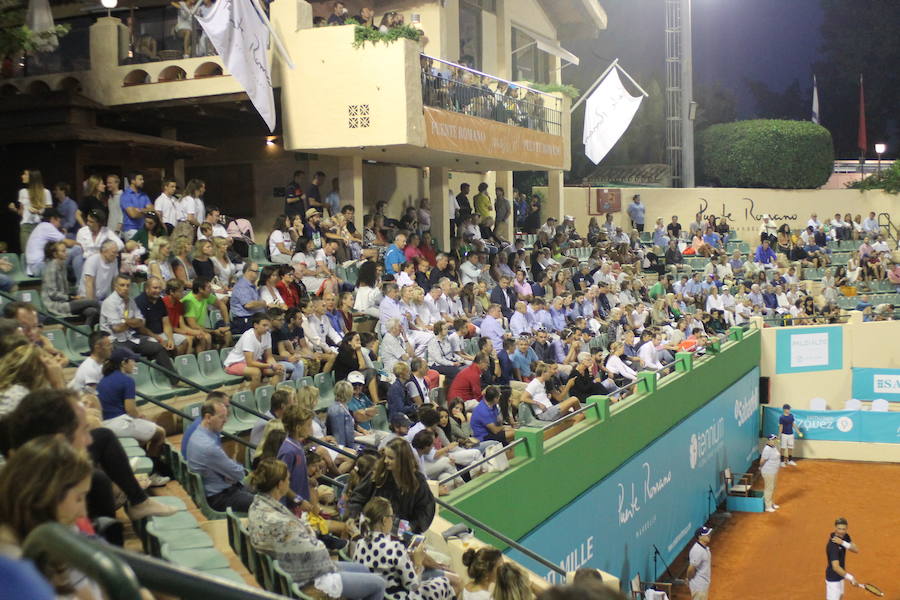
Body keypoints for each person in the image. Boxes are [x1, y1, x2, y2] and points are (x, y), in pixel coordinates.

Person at [247, 457, 386, 600]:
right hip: (307, 579)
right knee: (378, 584)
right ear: (280, 484)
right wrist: (310, 533)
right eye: (288, 479)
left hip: (292, 567)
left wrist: (308, 531)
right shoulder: (280, 522)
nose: (289, 483)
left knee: (363, 569)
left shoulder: (257, 505)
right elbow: (318, 552)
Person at [0, 435, 99, 597]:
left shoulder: (59, 530)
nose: (83, 512)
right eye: (79, 498)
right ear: (45, 496)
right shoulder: (11, 569)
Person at [353, 496, 455, 600]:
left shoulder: (359, 544)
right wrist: (418, 562)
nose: (392, 520)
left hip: (376, 596)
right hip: (401, 596)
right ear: (384, 520)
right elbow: (414, 585)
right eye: (391, 517)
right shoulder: (394, 548)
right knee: (445, 584)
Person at [96, 346, 169, 485]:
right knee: (160, 433)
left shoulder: (104, 378)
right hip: (118, 424)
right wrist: (138, 416)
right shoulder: (127, 380)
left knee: (143, 435)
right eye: (132, 361)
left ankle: (141, 472)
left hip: (106, 423)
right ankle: (152, 474)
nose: (134, 364)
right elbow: (130, 409)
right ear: (124, 363)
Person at [99, 274, 180, 385]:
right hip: (115, 340)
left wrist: (125, 321)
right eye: (122, 285)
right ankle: (132, 386)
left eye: (127, 285)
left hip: (131, 337)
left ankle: (174, 380)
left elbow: (141, 322)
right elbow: (117, 328)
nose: (125, 288)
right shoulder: (109, 303)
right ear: (115, 286)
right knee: (128, 356)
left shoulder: (131, 301)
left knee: (158, 347)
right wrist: (132, 322)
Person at [348, 437, 436, 534]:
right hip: (372, 527)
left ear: (402, 460)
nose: (385, 461)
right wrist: (353, 515)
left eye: (390, 458)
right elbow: (358, 497)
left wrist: (412, 527)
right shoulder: (378, 473)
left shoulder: (418, 481)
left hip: (401, 532)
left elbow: (425, 510)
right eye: (385, 456)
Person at [185, 397, 254, 512]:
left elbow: (230, 468)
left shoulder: (199, 433)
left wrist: (229, 473)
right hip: (219, 498)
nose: (226, 420)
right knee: (264, 504)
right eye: (221, 417)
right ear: (208, 417)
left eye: (226, 416)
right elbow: (238, 474)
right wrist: (232, 473)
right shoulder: (208, 446)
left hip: (218, 490)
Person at [41, 240, 101, 326]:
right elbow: (52, 294)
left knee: (92, 312)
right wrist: (71, 297)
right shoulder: (51, 268)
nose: (66, 253)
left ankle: (85, 335)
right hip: (56, 305)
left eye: (66, 250)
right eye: (63, 251)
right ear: (55, 254)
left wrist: (74, 297)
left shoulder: (62, 265)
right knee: (93, 302)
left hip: (65, 301)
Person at [223, 312, 284, 390]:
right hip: (234, 363)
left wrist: (276, 366)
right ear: (255, 325)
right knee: (256, 372)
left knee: (279, 371)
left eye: (268, 325)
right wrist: (270, 366)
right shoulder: (248, 336)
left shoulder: (267, 335)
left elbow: (269, 358)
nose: (267, 328)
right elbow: (250, 362)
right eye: (264, 325)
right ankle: (254, 398)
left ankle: (270, 394)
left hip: (254, 362)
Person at [825, 517, 860, 600]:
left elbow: (856, 550)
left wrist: (843, 543)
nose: (841, 531)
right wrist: (851, 578)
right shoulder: (833, 546)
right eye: (839, 529)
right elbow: (835, 567)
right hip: (833, 579)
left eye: (843, 529)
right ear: (835, 528)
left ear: (846, 529)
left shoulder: (845, 537)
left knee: (840, 596)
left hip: (841, 575)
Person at [120, 171, 153, 240]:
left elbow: (152, 210)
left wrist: (140, 210)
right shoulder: (126, 196)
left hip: (143, 229)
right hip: (131, 229)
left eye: (142, 179)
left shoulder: (144, 195)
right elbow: (133, 215)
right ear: (133, 181)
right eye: (140, 179)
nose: (143, 181)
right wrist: (146, 211)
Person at [687, 526, 713, 600]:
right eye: (706, 534)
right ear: (700, 537)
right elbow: (691, 569)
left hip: (703, 584)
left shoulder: (705, 548)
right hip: (699, 586)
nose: (709, 535)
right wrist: (689, 580)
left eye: (709, 533)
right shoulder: (697, 550)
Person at [758, 434, 781, 513]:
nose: (774, 441)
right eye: (772, 439)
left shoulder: (774, 447)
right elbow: (762, 460)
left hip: (774, 471)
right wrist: (760, 467)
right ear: (768, 440)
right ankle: (768, 506)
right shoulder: (767, 449)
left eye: (774, 439)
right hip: (768, 472)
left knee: (773, 487)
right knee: (769, 488)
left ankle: (771, 503)